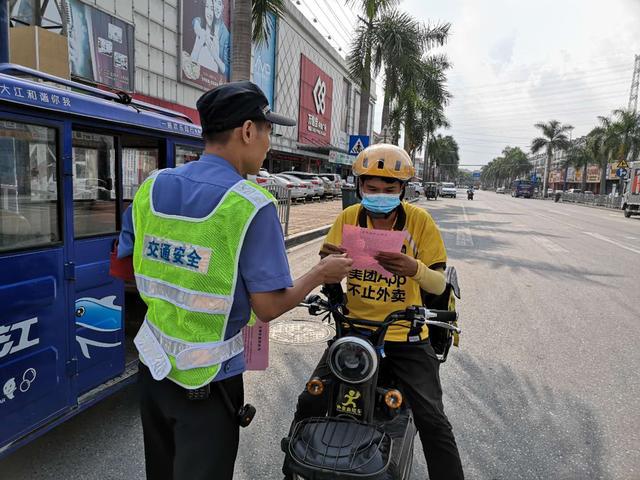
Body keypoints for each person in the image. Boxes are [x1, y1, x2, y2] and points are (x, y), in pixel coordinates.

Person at [117, 81, 353, 480]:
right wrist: (319, 274)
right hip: (208, 385)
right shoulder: (250, 205)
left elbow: (125, 269)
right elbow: (268, 306)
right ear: (247, 131)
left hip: (153, 372)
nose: (267, 144)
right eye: (267, 132)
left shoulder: (151, 188)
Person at [287, 144, 464, 480]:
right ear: (360, 187)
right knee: (309, 400)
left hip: (405, 336)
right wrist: (330, 273)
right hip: (353, 333)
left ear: (402, 190)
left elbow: (440, 285)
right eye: (372, 189)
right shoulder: (348, 218)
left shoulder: (420, 223)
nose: (380, 195)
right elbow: (329, 272)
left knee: (433, 421)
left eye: (389, 189)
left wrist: (414, 269)